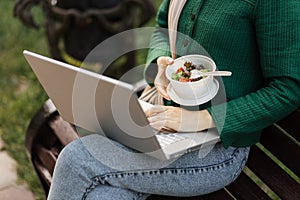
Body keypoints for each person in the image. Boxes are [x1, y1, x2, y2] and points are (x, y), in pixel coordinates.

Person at [47, 0, 300, 199]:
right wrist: (160, 63)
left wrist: (199, 118)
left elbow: (288, 89)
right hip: (159, 120)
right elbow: (162, 26)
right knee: (104, 195)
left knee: (77, 159)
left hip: (216, 150)